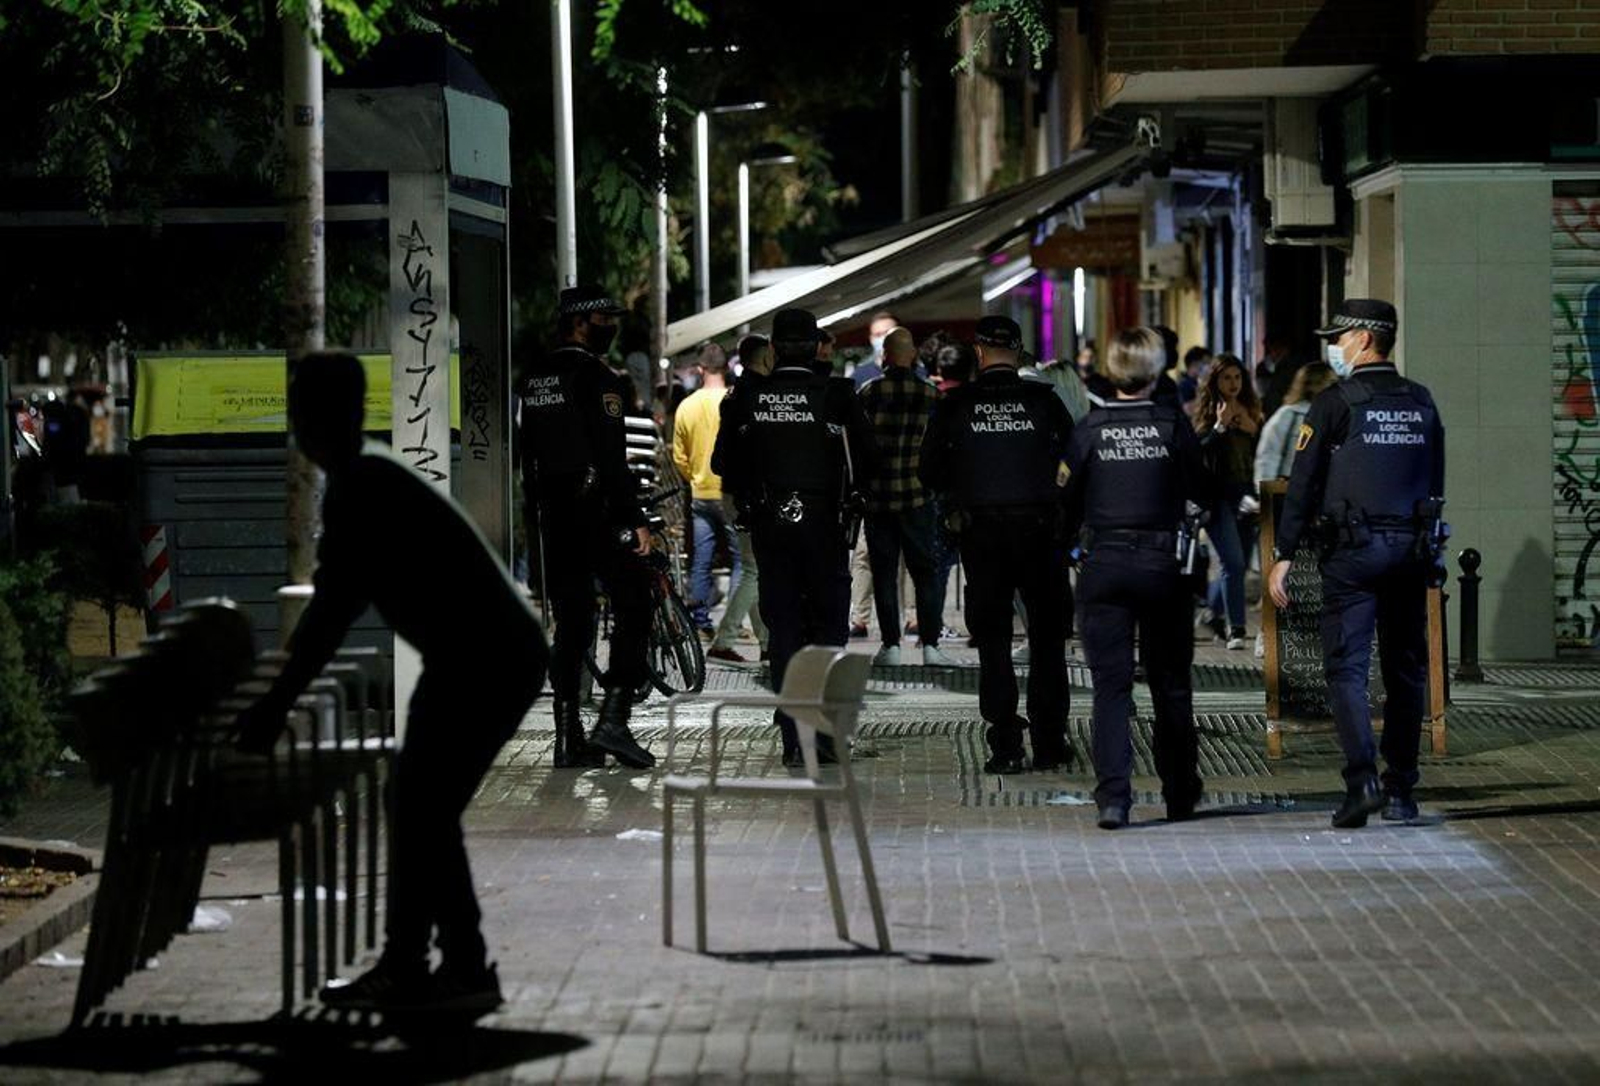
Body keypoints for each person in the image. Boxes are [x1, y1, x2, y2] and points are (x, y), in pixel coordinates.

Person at [234, 352, 536, 1013]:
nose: (297, 429)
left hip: (485, 659)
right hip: (475, 656)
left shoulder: (362, 487)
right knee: (417, 805)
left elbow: (328, 616)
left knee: (423, 808)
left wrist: (273, 708)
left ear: (319, 418)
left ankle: (452, 967)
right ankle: (422, 965)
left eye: (300, 413)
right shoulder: (365, 476)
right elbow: (330, 613)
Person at [1268, 299, 1445, 829]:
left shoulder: (1334, 403)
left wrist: (1283, 555)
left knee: (1346, 668)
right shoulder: (1422, 401)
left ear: (1365, 339)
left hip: (1351, 554)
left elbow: (1303, 485)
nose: (1335, 348)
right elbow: (1436, 480)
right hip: (1410, 551)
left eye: (1340, 338)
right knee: (1406, 670)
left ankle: (1362, 782)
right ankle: (1401, 792)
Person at [1064, 328, 1214, 829]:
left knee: (1111, 687)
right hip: (1161, 566)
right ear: (1154, 371)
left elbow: (1063, 499)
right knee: (1171, 684)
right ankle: (1179, 792)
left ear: (1112, 370)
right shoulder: (1172, 425)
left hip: (1104, 564)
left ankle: (1113, 797)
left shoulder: (1088, 428)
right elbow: (1202, 491)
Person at [714, 309, 877, 767]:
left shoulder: (747, 397)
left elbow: (722, 463)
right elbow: (871, 456)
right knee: (827, 627)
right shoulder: (837, 395)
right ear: (816, 347)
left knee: (784, 628)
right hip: (825, 522)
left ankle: (792, 736)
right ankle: (823, 735)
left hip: (771, 522)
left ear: (775, 349)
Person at [920, 315, 1076, 774]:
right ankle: (1049, 742)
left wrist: (960, 490)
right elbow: (1074, 463)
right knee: (1047, 641)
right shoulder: (1045, 403)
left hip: (982, 533)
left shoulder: (956, 406)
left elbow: (928, 471)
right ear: (1020, 350)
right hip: (1041, 531)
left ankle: (1005, 745)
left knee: (993, 642)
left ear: (980, 353)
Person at [518, 285, 656, 770]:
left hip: (551, 517)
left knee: (573, 623)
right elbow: (611, 461)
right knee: (637, 601)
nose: (611, 326)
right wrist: (634, 520)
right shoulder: (598, 377)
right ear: (580, 321)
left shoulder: (534, 378)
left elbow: (526, 454)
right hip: (597, 512)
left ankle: (567, 737)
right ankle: (614, 719)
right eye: (604, 318)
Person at [858, 326, 951, 667]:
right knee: (924, 570)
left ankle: (891, 646)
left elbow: (857, 446)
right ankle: (930, 644)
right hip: (917, 496)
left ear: (884, 356)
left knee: (883, 573)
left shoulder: (868, 392)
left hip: (879, 498)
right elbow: (941, 447)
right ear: (911, 355)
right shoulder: (930, 394)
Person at [709, 335, 773, 662]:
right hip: (749, 494)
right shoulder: (760, 394)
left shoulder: (734, 393)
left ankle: (766, 642)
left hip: (733, 491)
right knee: (754, 569)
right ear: (764, 357)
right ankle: (724, 640)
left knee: (754, 567)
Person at [1193, 354, 1262, 650]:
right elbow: (1199, 455)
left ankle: (1212, 612)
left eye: (1237, 377)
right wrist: (1219, 428)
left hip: (1247, 496)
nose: (1233, 384)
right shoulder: (1208, 414)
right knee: (1232, 562)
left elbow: (1264, 454)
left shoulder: (1253, 411)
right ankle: (1237, 629)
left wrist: (1253, 430)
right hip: (1219, 498)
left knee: (1240, 564)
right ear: (1215, 381)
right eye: (1226, 378)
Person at [673, 341, 740, 641]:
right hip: (731, 492)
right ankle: (733, 623)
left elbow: (679, 456)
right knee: (743, 561)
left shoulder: (686, 406)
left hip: (700, 494)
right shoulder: (735, 400)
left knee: (701, 560)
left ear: (700, 369)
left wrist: (695, 478)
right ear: (726, 367)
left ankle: (700, 621)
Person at [1254, 361, 1337, 489]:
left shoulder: (1335, 417)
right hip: (1291, 488)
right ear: (1313, 385)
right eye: (1330, 383)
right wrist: (1267, 494)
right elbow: (1269, 454)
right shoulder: (1289, 414)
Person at [850, 310, 901, 389]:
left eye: (889, 333)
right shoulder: (859, 376)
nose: (884, 338)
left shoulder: (920, 368)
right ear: (871, 339)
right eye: (878, 335)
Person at [1254, 335, 1301, 419]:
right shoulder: (1263, 367)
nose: (1278, 352)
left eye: (1281, 349)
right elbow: (1262, 393)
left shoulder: (1293, 366)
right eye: (1274, 349)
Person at [1177, 345, 1212, 417]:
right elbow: (1189, 410)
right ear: (1194, 364)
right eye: (1206, 363)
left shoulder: (1198, 382)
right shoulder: (1184, 385)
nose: (1208, 367)